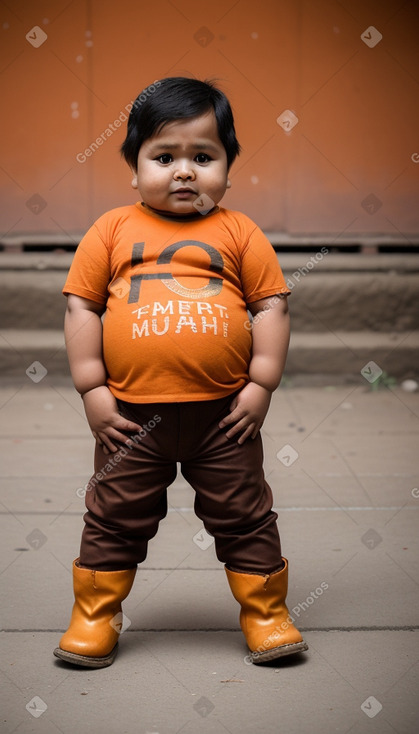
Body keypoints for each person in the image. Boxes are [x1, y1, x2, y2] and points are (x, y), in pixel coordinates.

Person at [53, 76, 308, 668]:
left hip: (225, 419)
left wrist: (261, 383)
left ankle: (265, 612)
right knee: (113, 516)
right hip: (130, 420)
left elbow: (271, 304)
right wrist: (91, 386)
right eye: (164, 157)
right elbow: (81, 306)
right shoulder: (112, 230)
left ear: (227, 167)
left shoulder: (240, 232)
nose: (184, 171)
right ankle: (94, 615)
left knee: (245, 513)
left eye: (203, 156)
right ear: (134, 168)